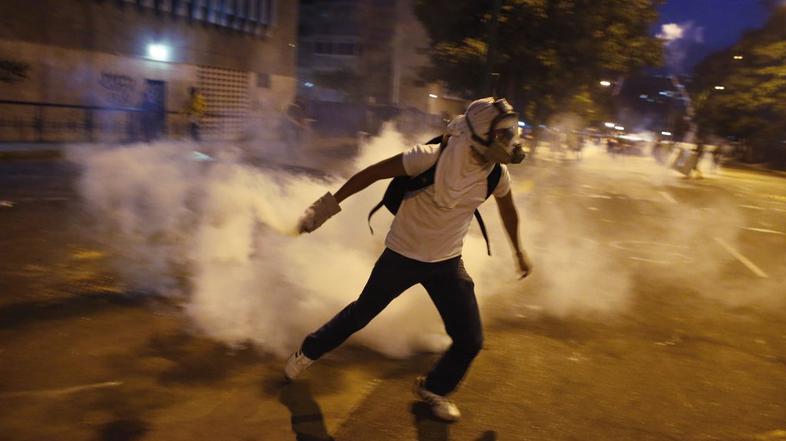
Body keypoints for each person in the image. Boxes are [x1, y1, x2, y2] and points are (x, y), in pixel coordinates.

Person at [284, 97, 533, 422]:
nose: (510, 142)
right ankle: (308, 352)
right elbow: (370, 174)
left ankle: (434, 389)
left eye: (511, 132)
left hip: (447, 263)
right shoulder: (429, 158)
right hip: (402, 256)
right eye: (502, 134)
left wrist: (518, 251)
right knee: (360, 314)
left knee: (470, 340)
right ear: (480, 134)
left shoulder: (495, 175)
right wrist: (322, 209)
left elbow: (508, 210)